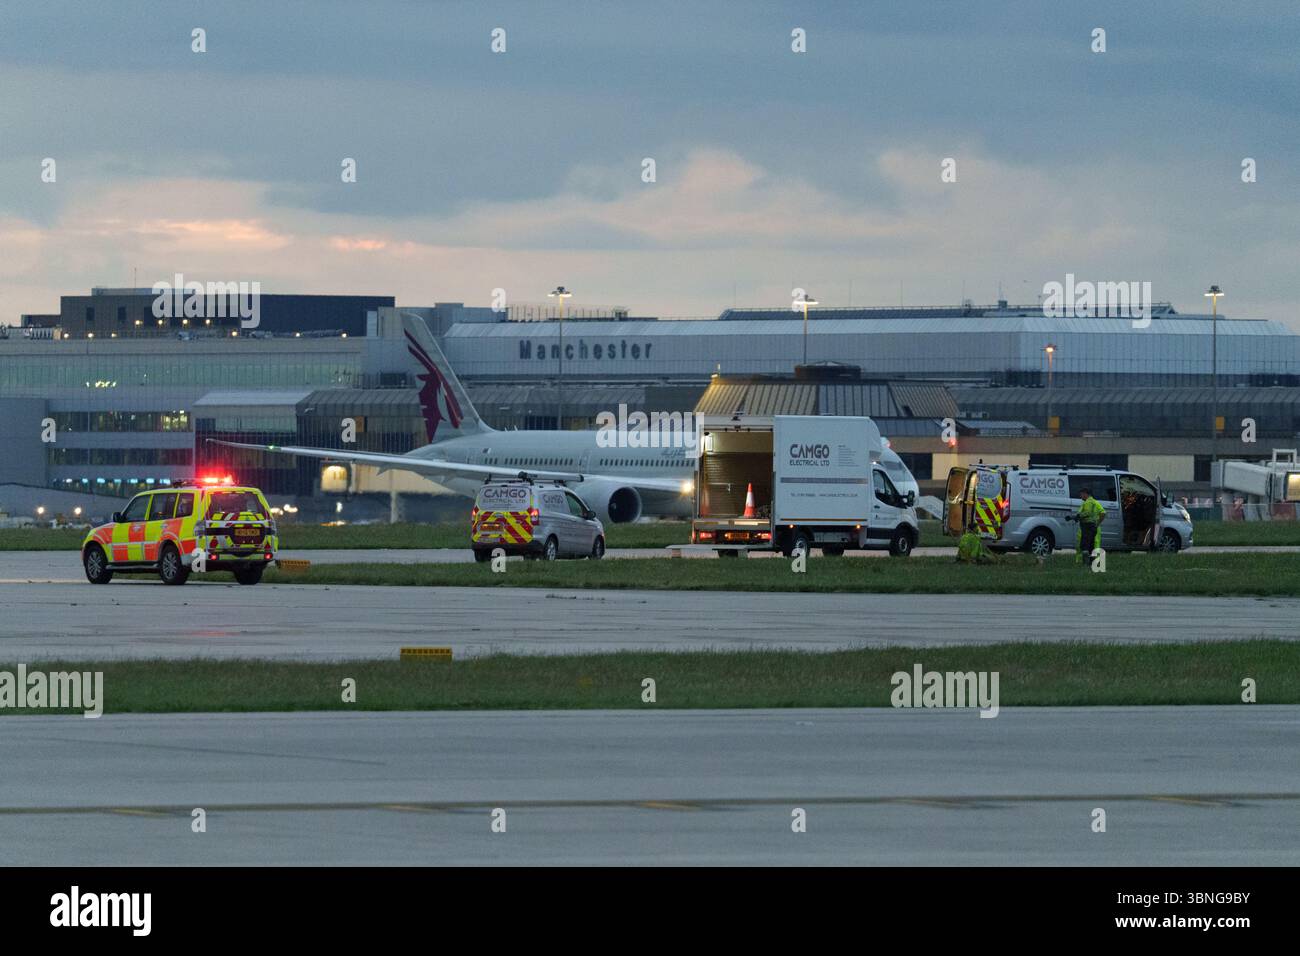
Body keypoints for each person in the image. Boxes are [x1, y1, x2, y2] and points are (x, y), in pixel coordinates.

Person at [1073, 487, 1106, 565]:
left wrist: (1078, 516)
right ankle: (1093, 562)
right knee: (1092, 545)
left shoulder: (1088, 503)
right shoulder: (1094, 502)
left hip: (1087, 527)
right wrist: (1097, 524)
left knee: (1085, 545)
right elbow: (1103, 513)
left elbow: (1087, 513)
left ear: (1085, 494)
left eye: (1081, 494)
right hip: (1093, 527)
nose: (1080, 496)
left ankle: (1085, 562)